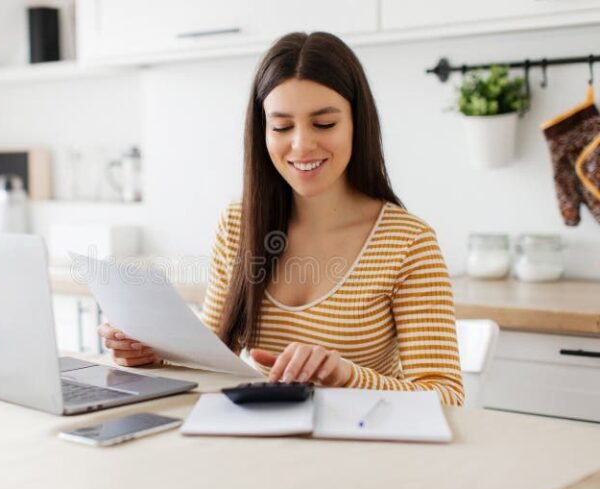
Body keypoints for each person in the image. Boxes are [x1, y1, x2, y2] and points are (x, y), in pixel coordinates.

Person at [99, 32, 464, 406]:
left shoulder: (408, 242)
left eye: (324, 124)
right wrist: (155, 355)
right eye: (282, 127)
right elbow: (211, 361)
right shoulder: (238, 223)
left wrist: (346, 376)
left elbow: (448, 397)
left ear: (357, 123)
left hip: (364, 452)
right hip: (265, 443)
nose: (302, 145)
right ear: (262, 132)